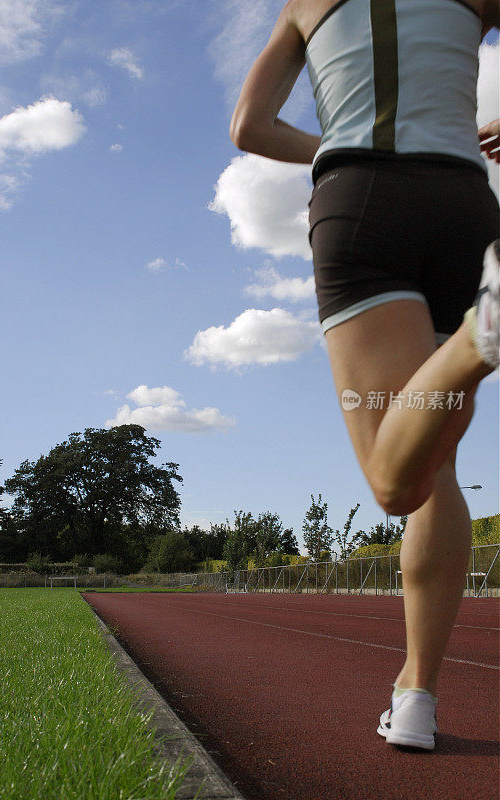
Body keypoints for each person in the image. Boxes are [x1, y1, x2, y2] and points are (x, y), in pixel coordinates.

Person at [229, 0, 500, 750]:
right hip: (466, 201)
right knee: (434, 462)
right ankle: (416, 695)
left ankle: (483, 334)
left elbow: (249, 126)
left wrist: (333, 142)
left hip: (362, 197)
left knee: (395, 483)